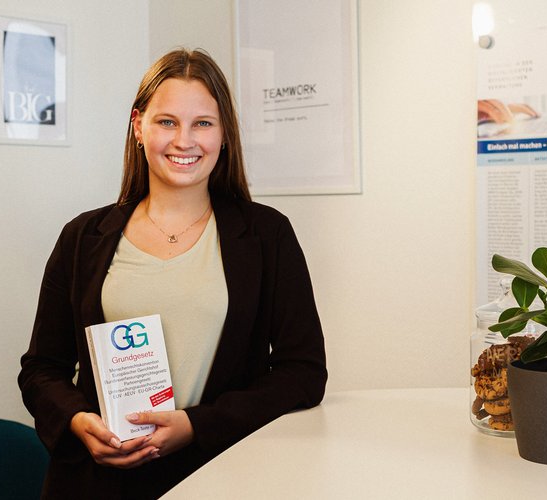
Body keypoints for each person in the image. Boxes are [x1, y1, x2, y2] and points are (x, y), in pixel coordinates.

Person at [18, 48, 327, 499]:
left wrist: (195, 426)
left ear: (224, 134)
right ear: (138, 125)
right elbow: (42, 370)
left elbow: (303, 373)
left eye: (203, 122)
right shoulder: (82, 237)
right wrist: (77, 421)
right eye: (167, 122)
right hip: (98, 483)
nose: (185, 140)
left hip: (224, 476)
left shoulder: (267, 235)